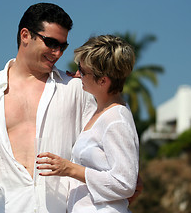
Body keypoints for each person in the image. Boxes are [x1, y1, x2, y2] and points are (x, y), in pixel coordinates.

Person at [0, 3, 141, 213]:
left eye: (63, 46)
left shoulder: (76, 88)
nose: (57, 53)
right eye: (51, 43)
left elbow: (112, 155)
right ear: (25, 36)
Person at [37, 35, 139, 212]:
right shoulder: (101, 111)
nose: (77, 74)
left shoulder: (116, 120)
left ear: (103, 81)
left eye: (83, 71)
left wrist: (70, 169)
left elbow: (125, 183)